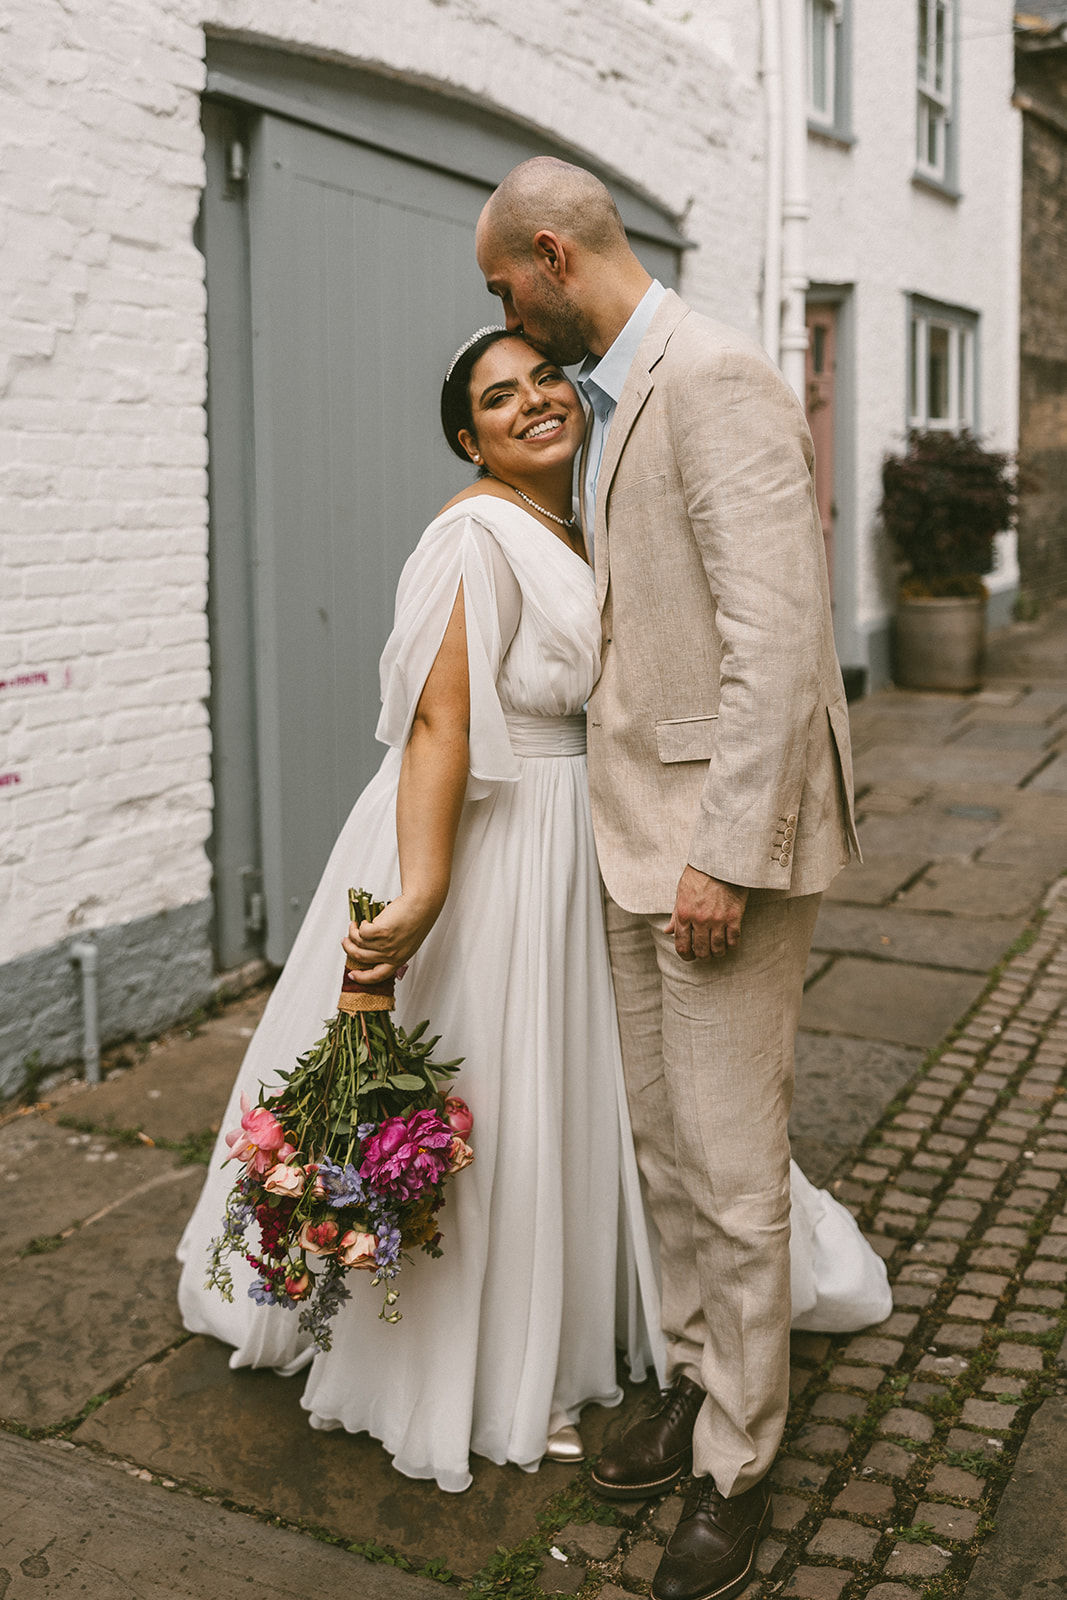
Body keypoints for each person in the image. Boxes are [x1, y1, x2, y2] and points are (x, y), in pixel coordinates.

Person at [177, 328, 887, 1499]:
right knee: (508, 1088)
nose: (531, 403)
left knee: (612, 1093)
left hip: (595, 836)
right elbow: (440, 727)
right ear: (468, 437)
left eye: (543, 378)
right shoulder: (469, 534)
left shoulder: (583, 517)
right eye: (496, 398)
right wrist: (423, 891)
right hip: (505, 839)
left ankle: (629, 1305)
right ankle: (503, 1347)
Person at [474, 159, 863, 1600]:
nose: (502, 310)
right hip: (631, 832)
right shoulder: (617, 394)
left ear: (552, 255)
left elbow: (777, 637)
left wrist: (721, 856)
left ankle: (740, 1458)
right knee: (661, 1148)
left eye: (502, 282)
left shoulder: (715, 379)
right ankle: (702, 1379)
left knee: (728, 1158)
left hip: (716, 848)